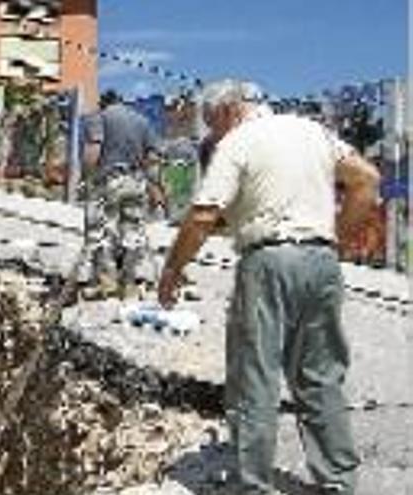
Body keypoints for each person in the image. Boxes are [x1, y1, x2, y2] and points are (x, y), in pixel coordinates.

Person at [157, 79, 380, 494]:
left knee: (254, 377)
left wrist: (172, 270)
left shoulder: (238, 141)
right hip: (320, 260)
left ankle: (252, 486)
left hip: (268, 262)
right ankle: (338, 482)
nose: (213, 133)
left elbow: (203, 216)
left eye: (211, 123)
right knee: (320, 377)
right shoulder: (312, 131)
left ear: (227, 111)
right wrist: (335, 238)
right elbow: (366, 179)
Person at [83, 94, 165, 299]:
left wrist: (87, 177)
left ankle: (106, 282)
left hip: (108, 180)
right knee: (132, 231)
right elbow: (153, 157)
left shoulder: (99, 117)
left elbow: (94, 147)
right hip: (135, 183)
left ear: (104, 103)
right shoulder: (142, 121)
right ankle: (128, 283)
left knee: (100, 231)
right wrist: (154, 186)